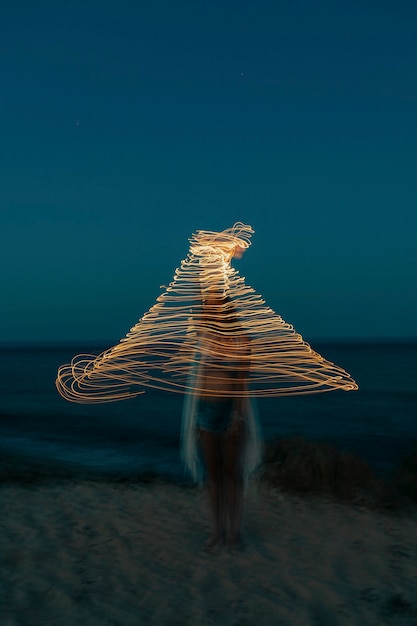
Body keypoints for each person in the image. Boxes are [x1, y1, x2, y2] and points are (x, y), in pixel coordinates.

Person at [185, 291, 256, 550]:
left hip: (229, 411)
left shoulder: (243, 340)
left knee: (232, 475)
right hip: (204, 410)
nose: (209, 308)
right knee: (212, 476)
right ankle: (217, 531)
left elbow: (242, 384)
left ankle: (234, 532)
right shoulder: (203, 337)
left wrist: (238, 417)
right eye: (207, 304)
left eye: (214, 304)